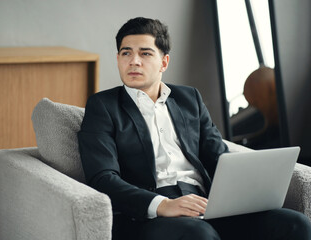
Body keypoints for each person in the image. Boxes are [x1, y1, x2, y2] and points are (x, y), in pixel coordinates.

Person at [78, 17, 311, 240]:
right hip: (150, 215)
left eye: (145, 53)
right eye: (126, 52)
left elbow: (217, 155)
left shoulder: (188, 98)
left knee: (294, 224)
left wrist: (243, 194)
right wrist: (164, 205)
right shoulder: (103, 106)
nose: (134, 61)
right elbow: (103, 177)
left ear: (164, 62)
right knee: (198, 235)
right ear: (118, 58)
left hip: (204, 203)